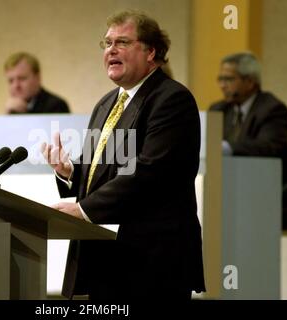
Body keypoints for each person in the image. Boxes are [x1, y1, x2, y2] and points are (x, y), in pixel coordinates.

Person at [41, 10, 205, 300]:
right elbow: (104, 172)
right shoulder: (106, 103)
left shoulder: (171, 99)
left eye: (122, 42)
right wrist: (71, 173)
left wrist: (83, 210)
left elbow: (150, 172)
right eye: (106, 43)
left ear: (151, 51)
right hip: (104, 260)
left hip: (152, 260)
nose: (111, 50)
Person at [210, 52, 287, 184]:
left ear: (249, 82)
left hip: (266, 185)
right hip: (227, 182)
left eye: (229, 79)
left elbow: (267, 147)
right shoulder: (218, 109)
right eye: (220, 79)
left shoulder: (272, 109)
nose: (222, 85)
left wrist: (228, 147)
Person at [3, 52, 70, 114]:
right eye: (11, 81)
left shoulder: (57, 105)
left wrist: (24, 114)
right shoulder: (11, 107)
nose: (16, 86)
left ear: (38, 78)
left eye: (22, 78)